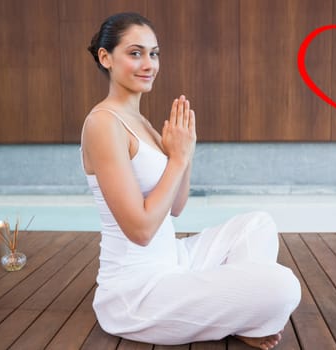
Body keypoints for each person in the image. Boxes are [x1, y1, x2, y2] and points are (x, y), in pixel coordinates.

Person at [81, 12, 301, 350]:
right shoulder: (103, 124)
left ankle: (238, 312)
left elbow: (176, 207)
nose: (149, 64)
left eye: (154, 54)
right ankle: (244, 311)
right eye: (135, 53)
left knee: (258, 224)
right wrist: (178, 159)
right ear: (106, 57)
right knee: (284, 285)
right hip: (138, 292)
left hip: (176, 261)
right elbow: (140, 231)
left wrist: (186, 155)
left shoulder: (141, 122)